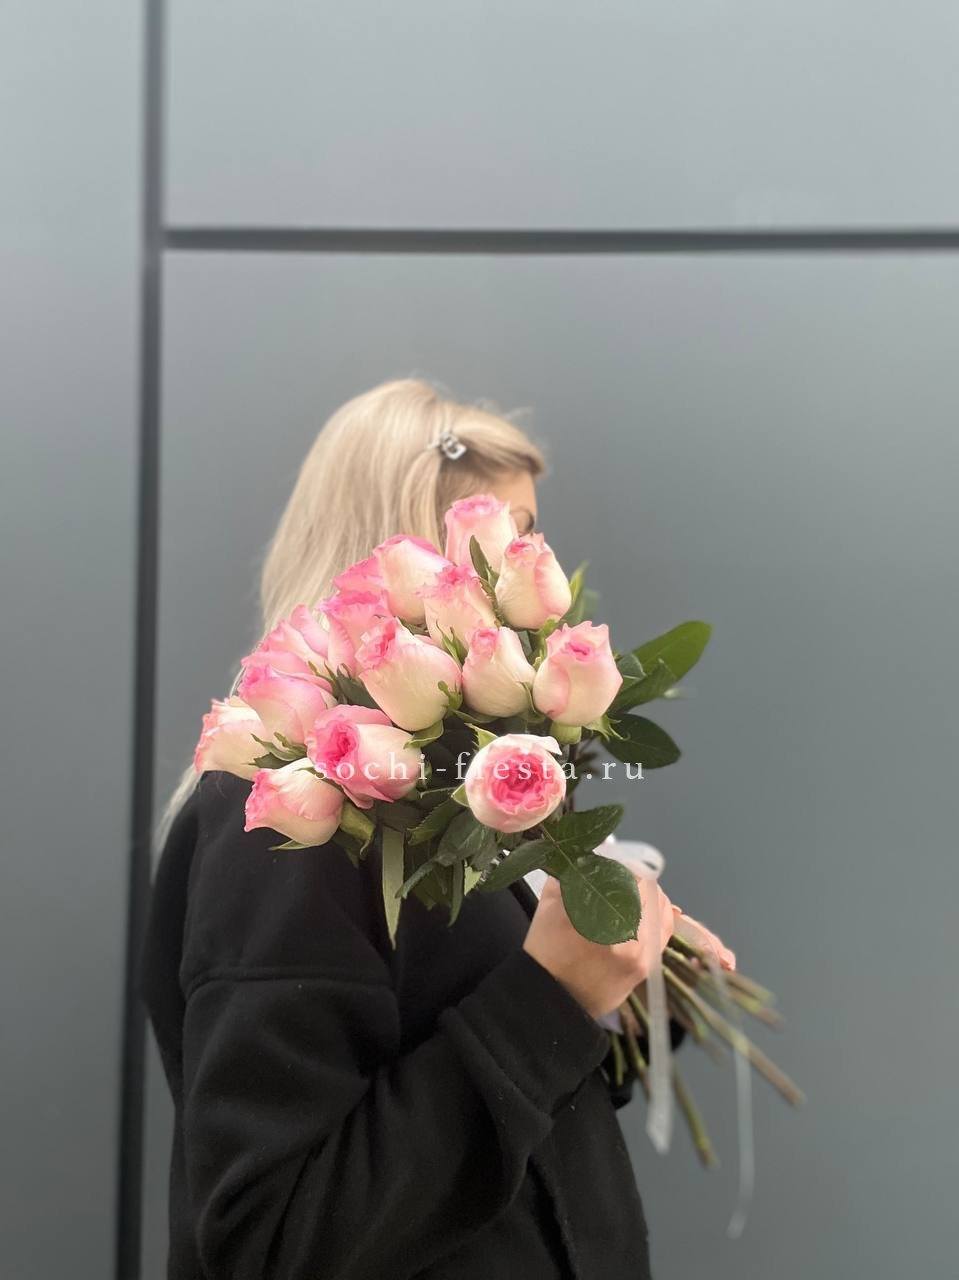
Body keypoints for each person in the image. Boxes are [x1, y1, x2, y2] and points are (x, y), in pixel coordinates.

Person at [139, 377, 672, 1280]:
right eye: (506, 540)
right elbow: (271, 1240)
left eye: (532, 537)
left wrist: (622, 985)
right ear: (410, 561)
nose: (535, 570)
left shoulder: (442, 786)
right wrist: (550, 996)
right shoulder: (295, 819)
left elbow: (514, 1125)